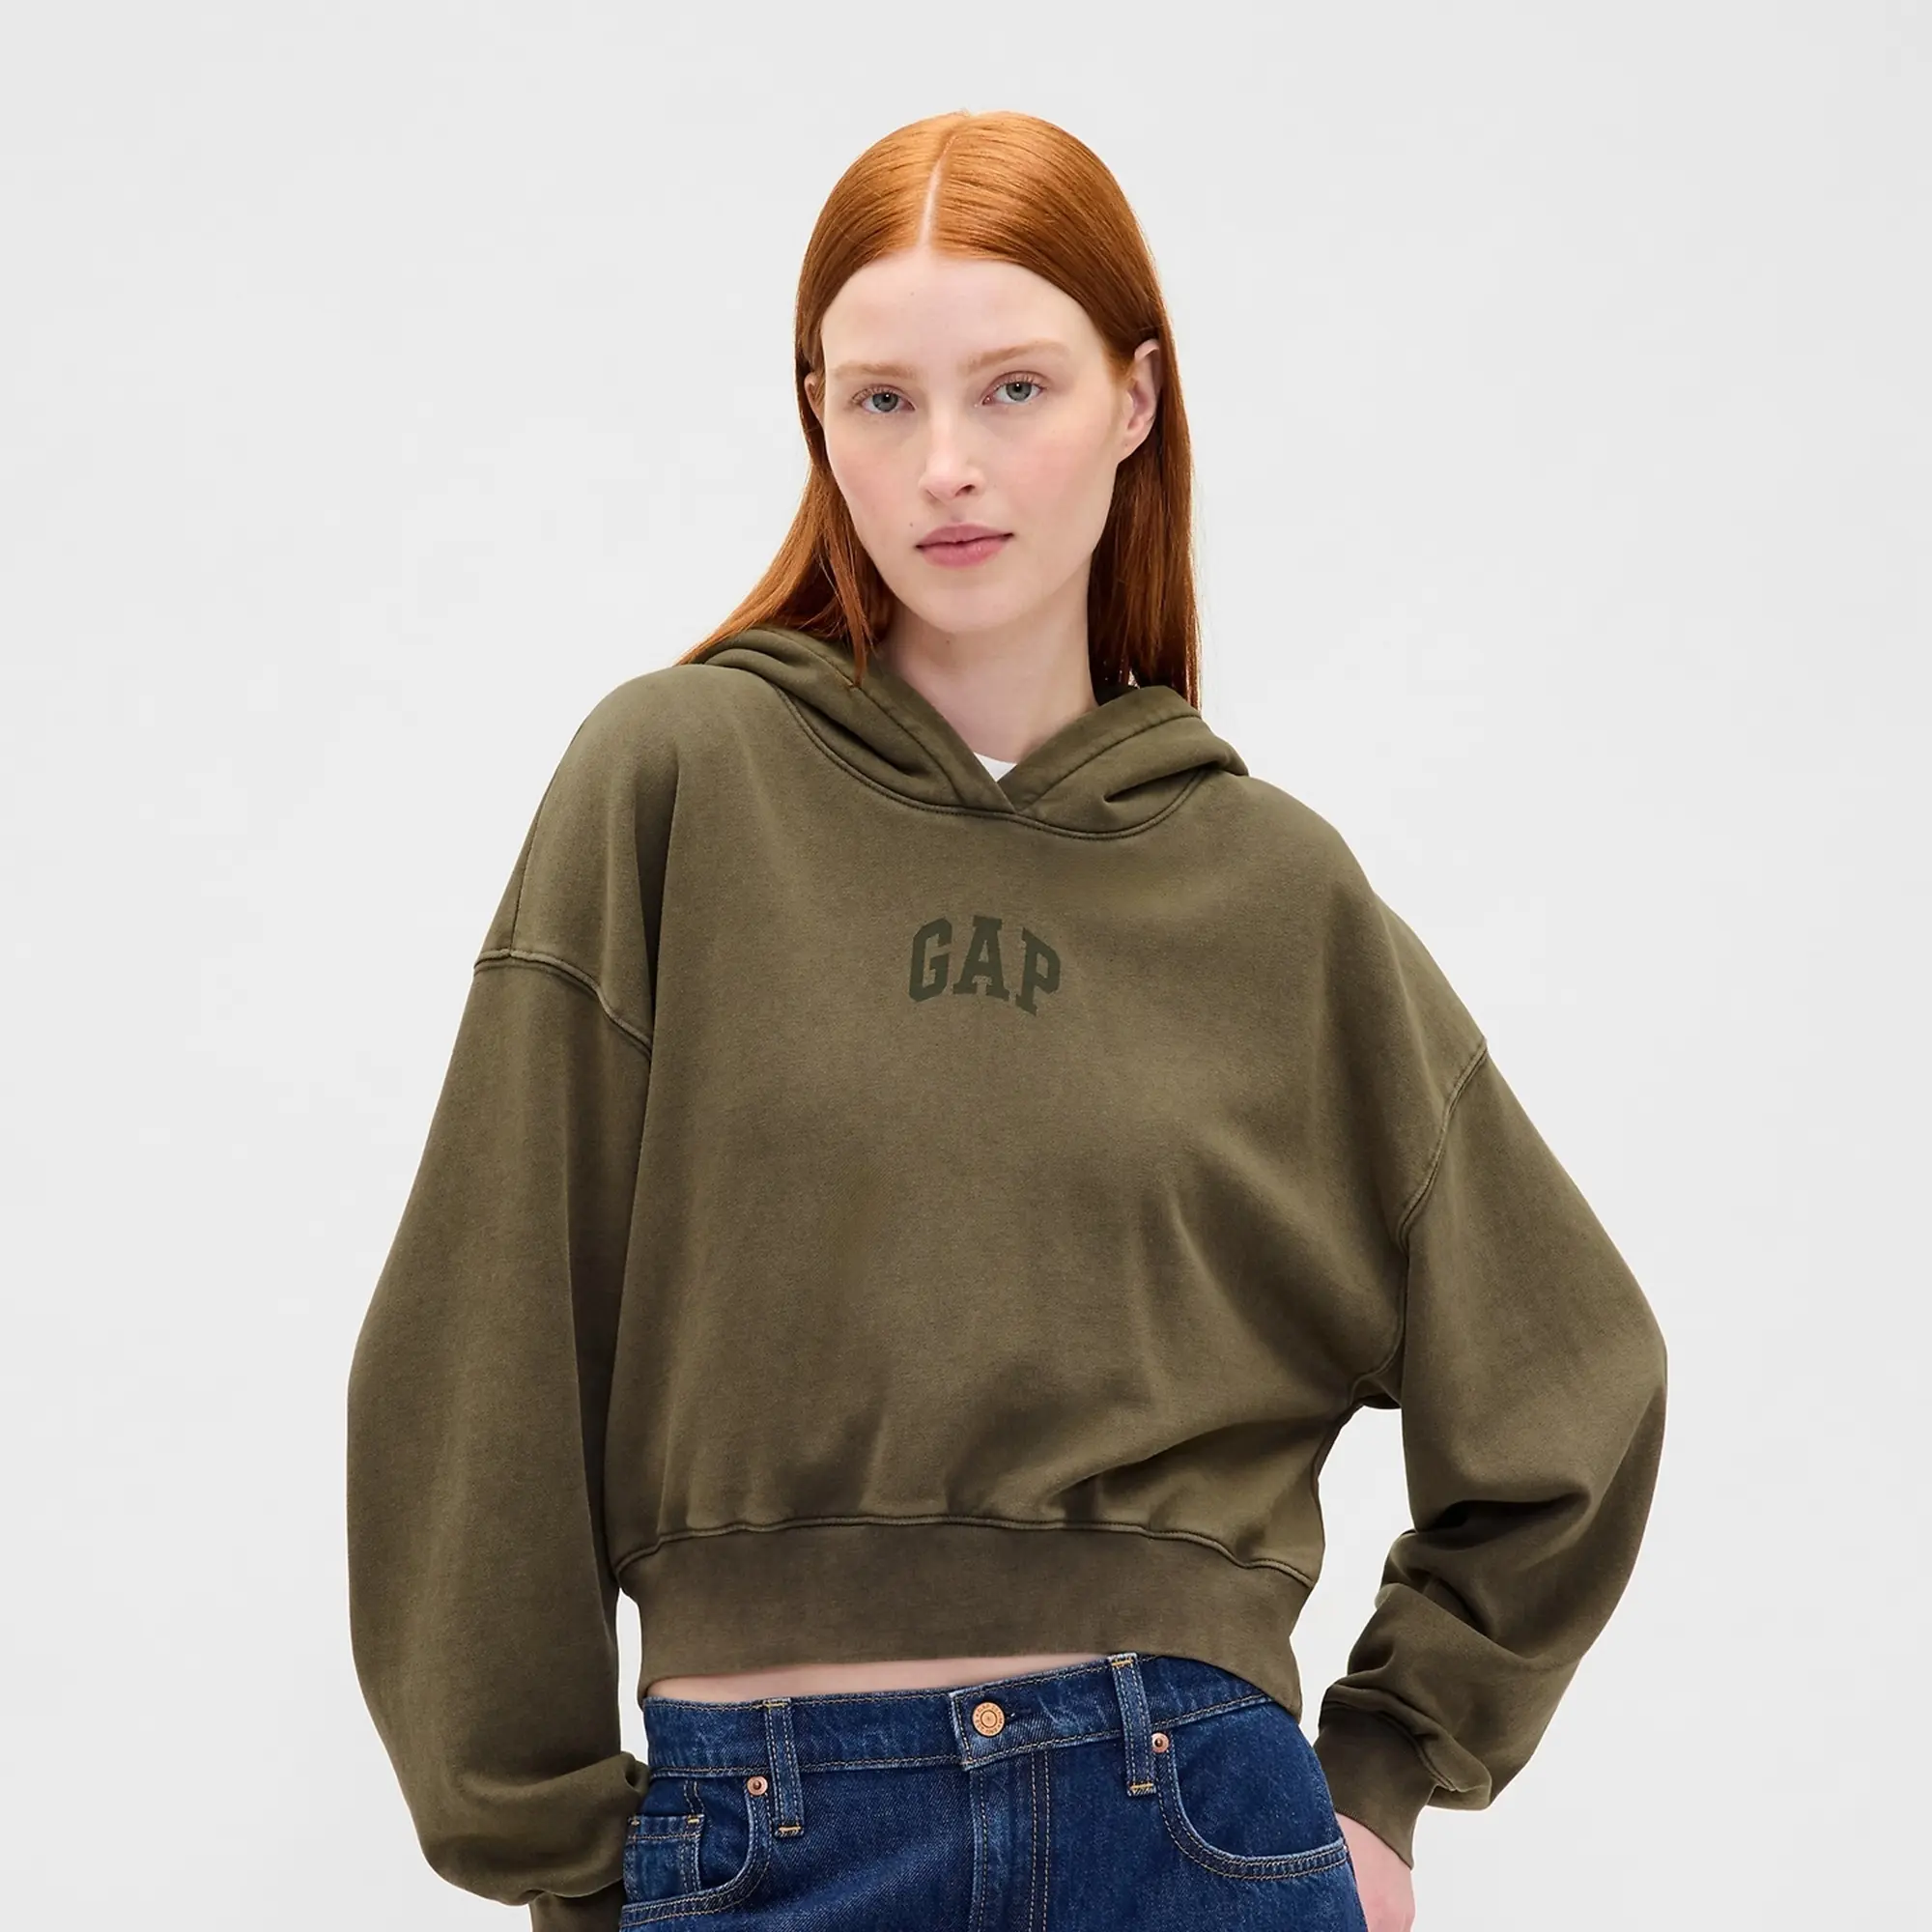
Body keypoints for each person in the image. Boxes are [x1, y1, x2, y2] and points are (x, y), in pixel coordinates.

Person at [346, 109, 1668, 1932]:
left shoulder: (1273, 895)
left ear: (1137, 398)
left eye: (1016, 389)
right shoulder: (676, 784)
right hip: (765, 1835)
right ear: (815, 414)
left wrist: (1382, 1774)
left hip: (1193, 1829)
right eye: (882, 400)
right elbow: (481, 1343)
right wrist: (567, 1860)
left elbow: (1573, 1388)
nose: (947, 467)